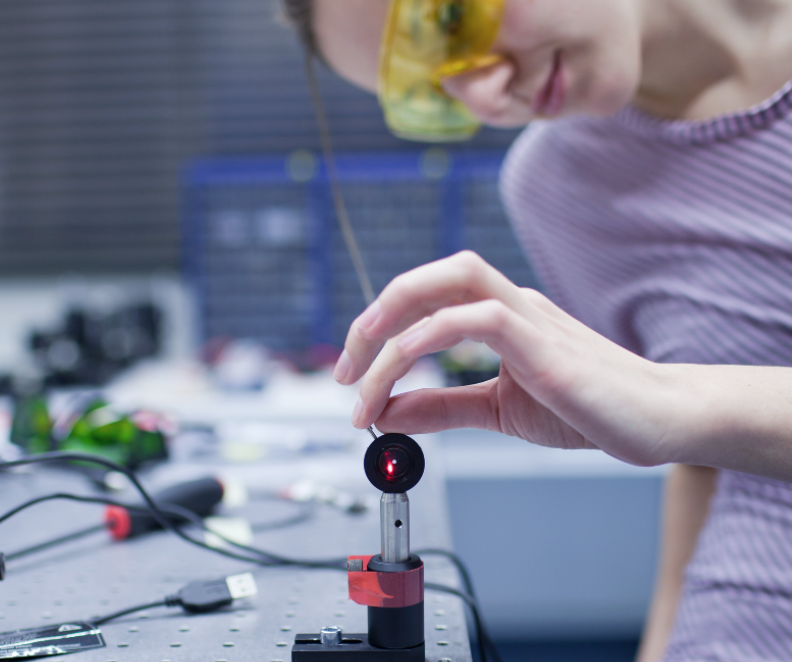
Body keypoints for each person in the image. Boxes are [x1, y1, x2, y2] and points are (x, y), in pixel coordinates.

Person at [282, 1, 792, 660]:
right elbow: (706, 461)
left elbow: (691, 418)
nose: (487, 95)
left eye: (450, 18)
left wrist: (676, 399)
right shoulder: (559, 187)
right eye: (434, 87)